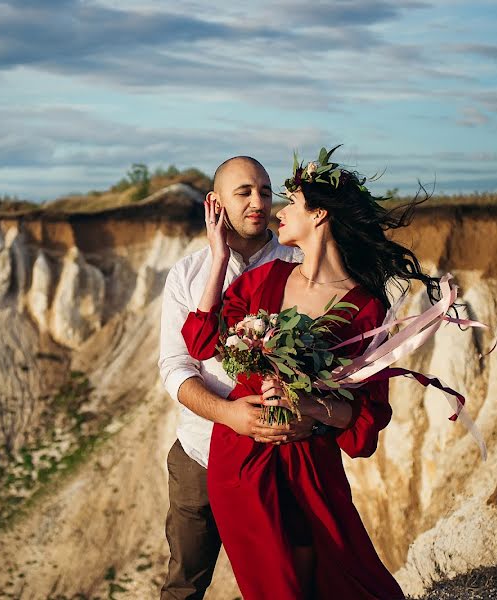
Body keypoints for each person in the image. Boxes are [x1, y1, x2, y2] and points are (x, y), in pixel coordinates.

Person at [181, 147, 443, 599]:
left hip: (311, 465)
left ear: (320, 214)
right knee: (277, 587)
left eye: (291, 202)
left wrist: (306, 405)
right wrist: (218, 257)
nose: (277, 211)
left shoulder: (365, 306)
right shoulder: (264, 281)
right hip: (244, 459)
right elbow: (202, 342)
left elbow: (363, 421)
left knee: (347, 578)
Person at [158, 156, 320, 600]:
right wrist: (228, 414)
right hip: (201, 455)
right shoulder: (188, 274)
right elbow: (175, 367)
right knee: (183, 586)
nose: (258, 202)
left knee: (286, 582)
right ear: (216, 203)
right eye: (244, 192)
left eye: (266, 192)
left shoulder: (300, 266)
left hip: (281, 456)